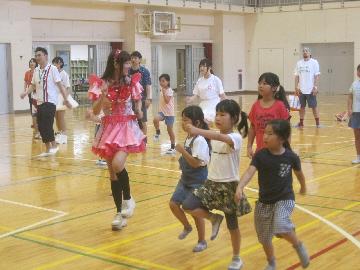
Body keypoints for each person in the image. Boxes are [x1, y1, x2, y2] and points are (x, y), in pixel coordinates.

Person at [182, 99, 251, 270]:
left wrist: (198, 130)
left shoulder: (235, 137)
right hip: (211, 183)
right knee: (188, 204)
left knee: (233, 225)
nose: (218, 118)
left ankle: (236, 258)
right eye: (217, 114)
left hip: (229, 186)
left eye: (222, 115)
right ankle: (214, 218)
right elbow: (212, 135)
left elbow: (219, 136)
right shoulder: (213, 136)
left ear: (234, 118)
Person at [235, 120, 309, 270]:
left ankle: (298, 245)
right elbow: (250, 171)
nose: (265, 137)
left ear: (282, 138)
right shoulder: (261, 155)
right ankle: (271, 262)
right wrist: (240, 187)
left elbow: (299, 174)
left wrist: (303, 187)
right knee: (264, 238)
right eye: (265, 133)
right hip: (264, 202)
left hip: (285, 199)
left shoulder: (291, 157)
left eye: (270, 133)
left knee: (280, 225)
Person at [89, 50, 145, 230]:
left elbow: (137, 107)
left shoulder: (131, 82)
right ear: (115, 64)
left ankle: (128, 199)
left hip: (126, 128)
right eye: (126, 63)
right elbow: (96, 111)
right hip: (108, 129)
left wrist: (140, 112)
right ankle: (119, 213)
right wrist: (104, 96)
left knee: (117, 164)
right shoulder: (102, 83)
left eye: (130, 63)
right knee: (112, 174)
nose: (129, 66)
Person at [170, 105, 210, 252]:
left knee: (195, 211)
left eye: (186, 120)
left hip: (198, 181)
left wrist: (182, 151)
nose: (182, 122)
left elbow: (195, 163)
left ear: (197, 123)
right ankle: (187, 227)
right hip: (185, 179)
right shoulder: (189, 137)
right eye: (182, 119)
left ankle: (202, 241)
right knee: (173, 204)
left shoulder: (199, 140)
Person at [20, 47, 71, 156]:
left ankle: (54, 146)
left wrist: (66, 99)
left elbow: (60, 85)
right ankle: (48, 148)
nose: (37, 57)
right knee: (41, 126)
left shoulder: (52, 69)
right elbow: (33, 85)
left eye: (39, 55)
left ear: (46, 56)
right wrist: (25, 93)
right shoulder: (37, 70)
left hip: (50, 102)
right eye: (36, 55)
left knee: (47, 124)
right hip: (39, 102)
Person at [247, 72, 289, 158]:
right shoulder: (255, 106)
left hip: (278, 153)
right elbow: (252, 128)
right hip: (260, 152)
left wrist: (287, 149)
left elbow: (287, 129)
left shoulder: (280, 106)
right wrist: (249, 146)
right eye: (259, 83)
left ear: (274, 88)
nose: (260, 86)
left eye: (264, 83)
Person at [186, 59, 226, 125]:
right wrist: (190, 99)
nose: (201, 68)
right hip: (203, 105)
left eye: (204, 66)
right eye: (200, 66)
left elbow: (222, 95)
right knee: (197, 122)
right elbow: (196, 95)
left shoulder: (216, 79)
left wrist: (228, 107)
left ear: (210, 67)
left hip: (213, 104)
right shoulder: (199, 81)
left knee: (204, 122)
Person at [294, 47, 321, 128]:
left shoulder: (314, 62)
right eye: (304, 51)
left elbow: (316, 75)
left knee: (314, 107)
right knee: (301, 107)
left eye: (307, 51)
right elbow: (296, 76)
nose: (305, 52)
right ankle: (301, 123)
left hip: (310, 89)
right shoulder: (299, 63)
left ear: (310, 53)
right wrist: (296, 87)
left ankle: (317, 123)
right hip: (301, 89)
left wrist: (315, 87)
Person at [130, 51, 152, 135]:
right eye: (132, 58)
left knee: (142, 119)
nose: (133, 60)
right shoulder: (128, 71)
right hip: (130, 99)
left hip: (141, 98)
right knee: (131, 119)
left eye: (135, 58)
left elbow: (147, 85)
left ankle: (144, 140)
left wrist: (148, 98)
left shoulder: (144, 71)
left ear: (140, 60)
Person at [153, 74, 176, 154]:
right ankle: (158, 132)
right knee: (155, 119)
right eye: (160, 81)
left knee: (170, 131)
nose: (161, 83)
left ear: (168, 81)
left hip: (169, 114)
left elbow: (167, 101)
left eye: (163, 81)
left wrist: (163, 92)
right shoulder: (162, 89)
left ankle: (172, 147)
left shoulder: (169, 90)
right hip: (162, 112)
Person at [52, 56, 71, 144]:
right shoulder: (53, 73)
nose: (56, 64)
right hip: (54, 98)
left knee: (61, 118)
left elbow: (67, 88)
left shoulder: (64, 74)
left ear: (61, 64)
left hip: (61, 97)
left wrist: (65, 98)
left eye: (57, 63)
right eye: (54, 63)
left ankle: (63, 138)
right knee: (56, 118)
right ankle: (60, 135)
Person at [24, 58, 40, 139]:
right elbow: (26, 82)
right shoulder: (27, 72)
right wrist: (25, 91)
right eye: (30, 62)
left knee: (39, 110)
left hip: (38, 93)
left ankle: (40, 127)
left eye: (33, 61)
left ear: (36, 63)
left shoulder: (38, 71)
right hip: (31, 92)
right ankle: (35, 125)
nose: (31, 63)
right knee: (32, 109)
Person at [347, 64, 360, 164]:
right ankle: (358, 157)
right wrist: (349, 109)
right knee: (357, 136)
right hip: (356, 113)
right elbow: (350, 97)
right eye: (358, 71)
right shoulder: (354, 84)